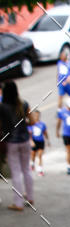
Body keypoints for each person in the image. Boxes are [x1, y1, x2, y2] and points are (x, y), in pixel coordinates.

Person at [0, 80, 34, 210]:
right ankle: (30, 198)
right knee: (26, 170)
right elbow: (32, 121)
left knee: (16, 172)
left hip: (12, 142)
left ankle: (18, 203)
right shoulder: (24, 104)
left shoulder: (2, 107)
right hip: (25, 140)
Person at [28, 110, 50, 175]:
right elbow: (29, 135)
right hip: (33, 141)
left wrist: (48, 140)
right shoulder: (31, 125)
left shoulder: (42, 124)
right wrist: (31, 141)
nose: (36, 117)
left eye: (38, 115)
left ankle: (40, 169)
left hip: (41, 141)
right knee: (33, 154)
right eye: (35, 115)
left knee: (40, 155)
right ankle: (32, 163)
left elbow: (45, 133)